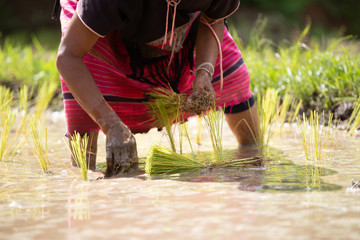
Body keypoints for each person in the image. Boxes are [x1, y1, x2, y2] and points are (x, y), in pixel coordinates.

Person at [55, 0, 259, 177]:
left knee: (234, 82)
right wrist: (110, 124)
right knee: (84, 161)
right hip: (103, 33)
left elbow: (214, 19)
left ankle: (253, 156)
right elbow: (69, 57)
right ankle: (86, 178)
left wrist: (204, 71)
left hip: (185, 29)